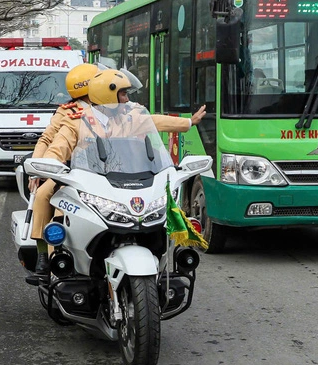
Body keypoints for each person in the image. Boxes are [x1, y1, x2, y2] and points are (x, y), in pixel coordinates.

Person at [34, 69, 206, 273]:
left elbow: (155, 122)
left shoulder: (129, 117)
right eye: (123, 94)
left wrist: (189, 122)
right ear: (107, 95)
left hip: (125, 180)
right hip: (83, 179)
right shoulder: (76, 119)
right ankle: (51, 257)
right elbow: (57, 147)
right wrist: (47, 166)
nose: (127, 99)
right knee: (52, 202)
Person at [28, 63, 99, 274]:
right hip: (71, 171)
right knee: (43, 195)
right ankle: (45, 254)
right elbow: (47, 139)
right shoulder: (67, 111)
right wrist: (37, 170)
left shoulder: (111, 108)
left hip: (106, 171)